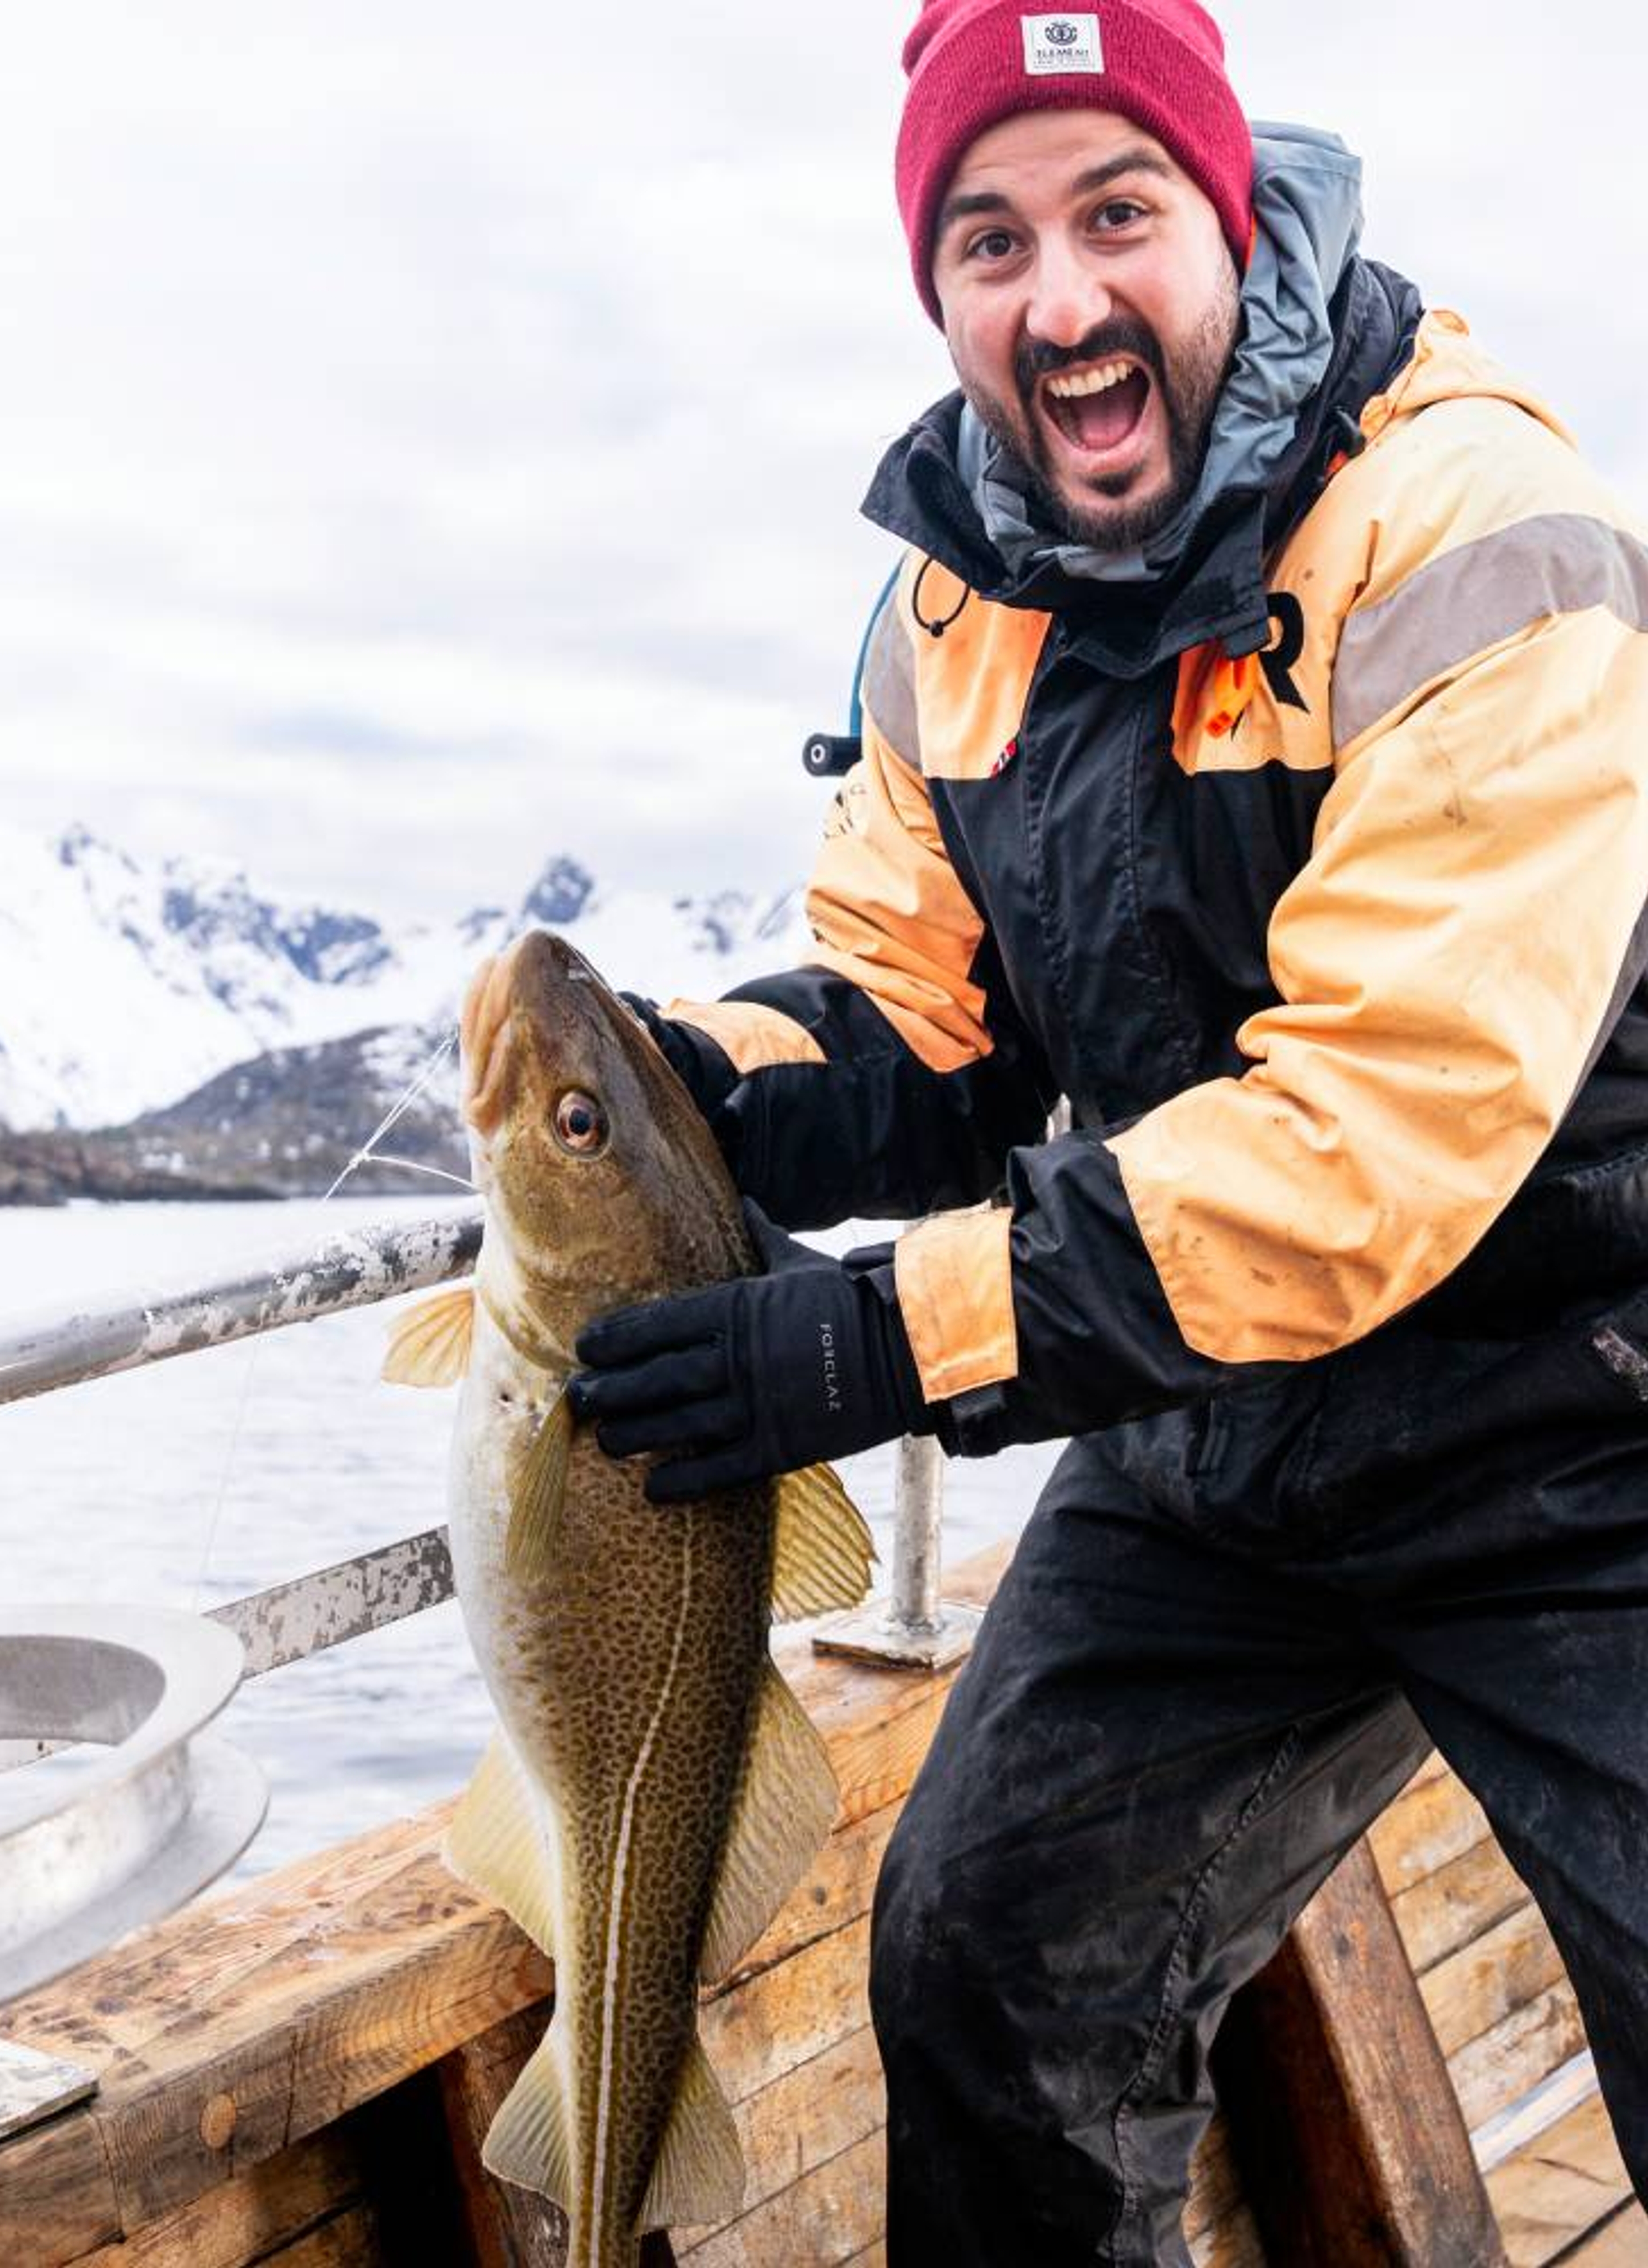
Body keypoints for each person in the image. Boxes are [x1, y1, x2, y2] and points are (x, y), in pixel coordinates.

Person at [567, 1, 1648, 2259]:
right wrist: (685, 1087)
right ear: (937, 287)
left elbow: (1387, 1121)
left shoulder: (1476, 526)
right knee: (986, 1962)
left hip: (1587, 1417)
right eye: (988, 238)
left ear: (1229, 216)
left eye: (1116, 212)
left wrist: (873, 1347)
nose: (1058, 299)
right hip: (1224, 1431)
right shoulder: (950, 600)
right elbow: (915, 1007)